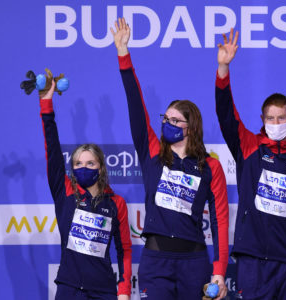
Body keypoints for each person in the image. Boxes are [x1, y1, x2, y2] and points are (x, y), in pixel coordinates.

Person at [111, 18, 229, 300]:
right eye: (166, 118)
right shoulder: (152, 152)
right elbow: (135, 106)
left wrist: (220, 269)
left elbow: (220, 220)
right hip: (156, 261)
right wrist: (123, 56)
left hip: (195, 264)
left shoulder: (210, 167)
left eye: (176, 120)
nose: (168, 123)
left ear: (191, 127)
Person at [215, 29, 286, 299]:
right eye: (271, 118)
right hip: (252, 260)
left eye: (282, 118)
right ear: (262, 119)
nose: (276, 124)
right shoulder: (250, 147)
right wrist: (223, 68)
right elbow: (225, 114)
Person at [38, 80, 132, 300]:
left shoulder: (116, 203)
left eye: (90, 163)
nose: (83, 168)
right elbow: (52, 148)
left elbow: (125, 249)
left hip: (104, 291)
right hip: (69, 288)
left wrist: (125, 289)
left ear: (100, 168)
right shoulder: (65, 193)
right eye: (78, 164)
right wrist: (46, 104)